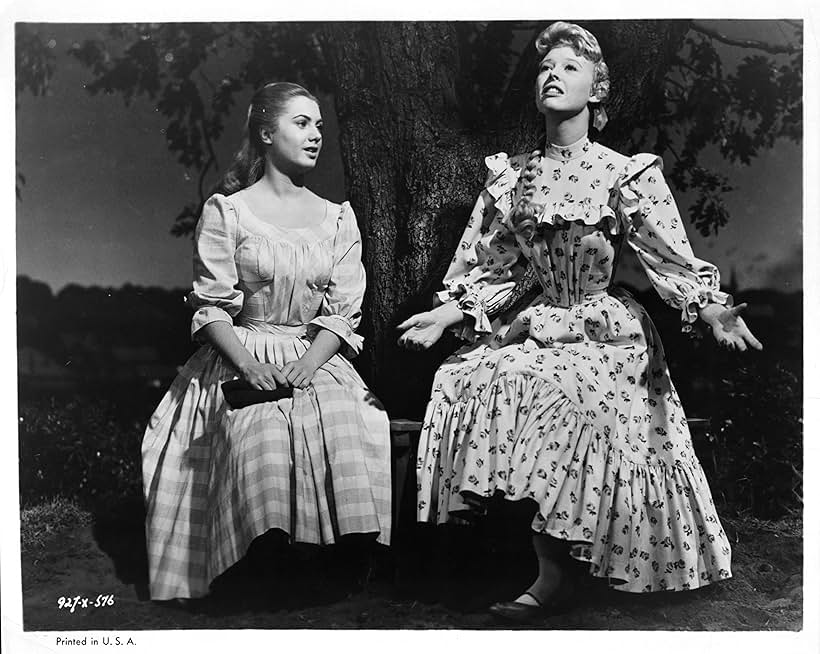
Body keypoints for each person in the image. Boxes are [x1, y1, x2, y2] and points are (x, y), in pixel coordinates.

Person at [397, 22, 762, 621]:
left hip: (608, 331)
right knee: (468, 378)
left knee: (572, 396)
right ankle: (543, 566)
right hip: (541, 322)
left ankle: (577, 565)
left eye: (569, 67)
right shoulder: (512, 177)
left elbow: (667, 258)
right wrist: (445, 313)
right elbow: (494, 267)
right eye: (545, 67)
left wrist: (712, 307)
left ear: (598, 89)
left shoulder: (625, 173)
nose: (551, 75)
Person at [142, 82, 391, 602]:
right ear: (265, 133)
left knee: (349, 417)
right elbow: (211, 308)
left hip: (316, 352)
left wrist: (309, 363)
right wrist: (249, 365)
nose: (316, 134)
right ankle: (257, 563)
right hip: (241, 350)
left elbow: (344, 311)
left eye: (320, 124)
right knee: (259, 428)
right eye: (301, 123)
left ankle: (329, 563)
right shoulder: (229, 212)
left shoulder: (337, 218)